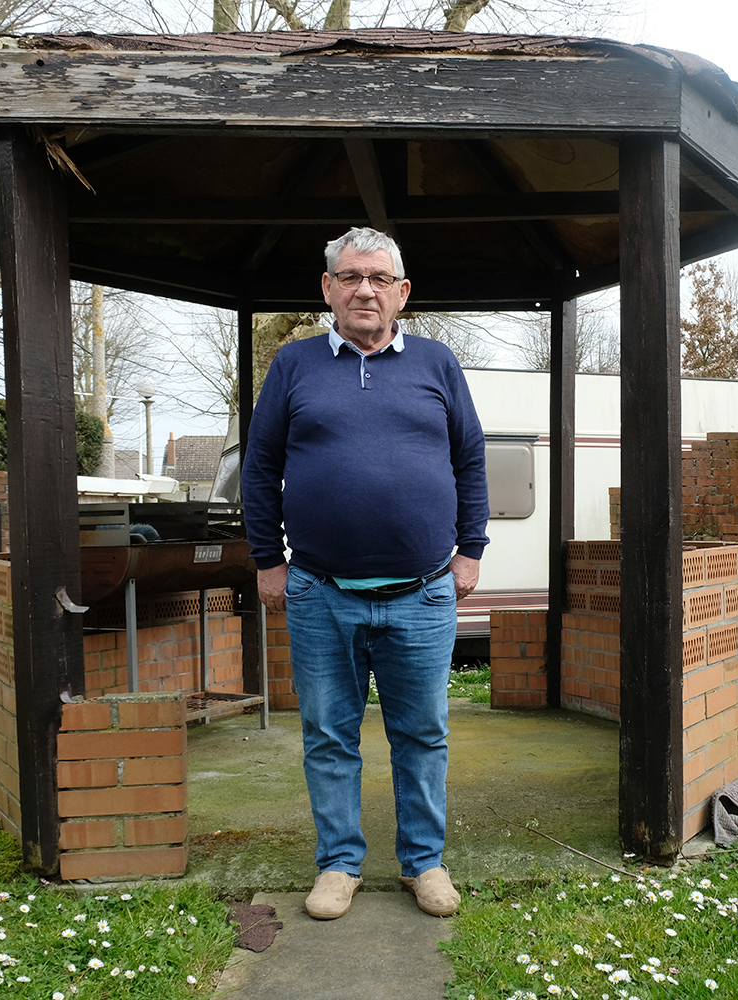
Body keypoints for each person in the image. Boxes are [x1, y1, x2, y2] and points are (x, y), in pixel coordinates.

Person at [241, 227, 489, 920]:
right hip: (320, 592)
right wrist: (268, 559)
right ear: (327, 289)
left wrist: (471, 549)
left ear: (402, 293)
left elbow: (470, 461)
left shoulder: (438, 364)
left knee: (422, 734)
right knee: (327, 735)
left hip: (423, 591)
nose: (365, 290)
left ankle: (424, 863)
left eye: (379, 278)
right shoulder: (293, 366)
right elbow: (261, 470)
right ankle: (339, 865)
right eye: (350, 277)